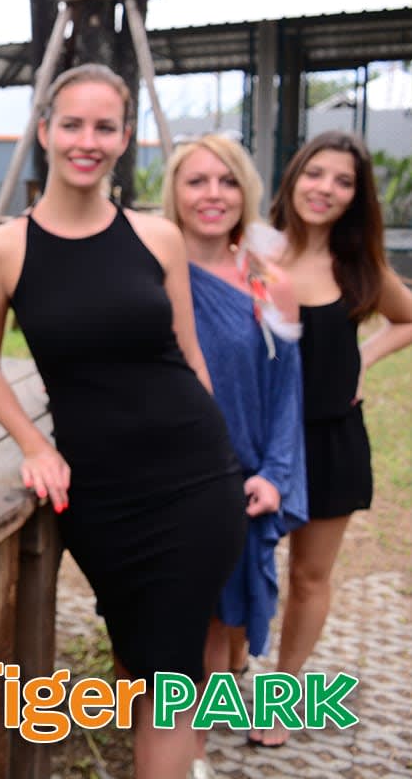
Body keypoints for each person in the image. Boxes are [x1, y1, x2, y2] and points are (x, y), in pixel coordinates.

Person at [0, 64, 246, 779]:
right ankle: (181, 759)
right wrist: (35, 445)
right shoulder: (0, 250)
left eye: (105, 127)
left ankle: (177, 759)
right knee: (140, 652)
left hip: (194, 478)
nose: (87, 141)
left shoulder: (159, 238)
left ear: (124, 138)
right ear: (45, 131)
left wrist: (223, 453)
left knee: (168, 675)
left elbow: (190, 357)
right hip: (101, 495)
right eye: (73, 124)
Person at [258, 130, 412, 747]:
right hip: (256, 442)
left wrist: (362, 359)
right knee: (237, 570)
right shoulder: (252, 250)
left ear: (356, 196)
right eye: (315, 173)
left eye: (343, 181)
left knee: (308, 577)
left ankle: (278, 699)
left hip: (330, 441)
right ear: (294, 177)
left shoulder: (358, 266)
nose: (325, 188)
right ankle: (224, 677)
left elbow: (406, 317)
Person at [162, 135, 309, 762]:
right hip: (165, 478)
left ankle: (190, 753)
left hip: (239, 480)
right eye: (196, 181)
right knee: (169, 624)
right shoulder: (147, 273)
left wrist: (275, 473)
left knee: (221, 625)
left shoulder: (269, 283)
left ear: (245, 192)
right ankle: (173, 750)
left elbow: (286, 393)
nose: (212, 195)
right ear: (173, 192)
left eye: (226, 181)